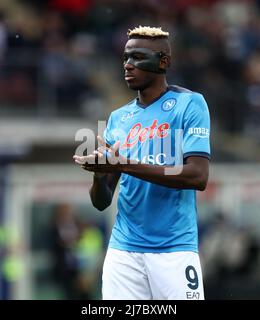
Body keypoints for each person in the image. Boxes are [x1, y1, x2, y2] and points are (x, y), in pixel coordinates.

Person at [73, 26, 211, 300]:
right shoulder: (118, 118)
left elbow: (198, 177)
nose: (128, 65)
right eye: (126, 57)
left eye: (137, 57)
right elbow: (101, 202)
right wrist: (101, 173)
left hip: (174, 249)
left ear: (164, 62)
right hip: (124, 251)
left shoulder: (190, 105)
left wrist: (123, 164)